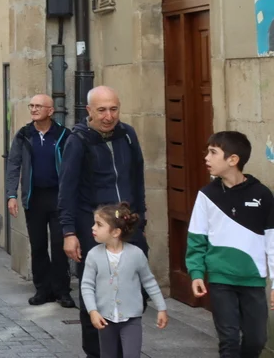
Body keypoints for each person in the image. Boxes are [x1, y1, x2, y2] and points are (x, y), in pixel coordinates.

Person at [59, 86, 149, 358]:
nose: (108, 116)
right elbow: (67, 189)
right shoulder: (78, 140)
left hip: (128, 227)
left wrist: (141, 219)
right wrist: (69, 232)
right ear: (89, 111)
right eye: (101, 110)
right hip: (94, 228)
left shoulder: (128, 135)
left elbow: (137, 179)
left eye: (113, 109)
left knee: (137, 289)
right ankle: (95, 352)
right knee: (96, 294)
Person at [186, 131, 274, 358]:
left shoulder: (263, 195)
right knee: (229, 341)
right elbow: (197, 237)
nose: (206, 157)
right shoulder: (206, 195)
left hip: (253, 279)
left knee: (257, 340)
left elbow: (272, 243)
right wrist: (196, 273)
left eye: (213, 152)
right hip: (221, 279)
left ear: (233, 159)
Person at [4, 94, 74, 307]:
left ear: (50, 111)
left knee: (60, 245)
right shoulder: (24, 134)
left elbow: (74, 166)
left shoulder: (64, 135)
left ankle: (62, 290)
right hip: (34, 197)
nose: (34, 109)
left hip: (59, 198)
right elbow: (13, 164)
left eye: (38, 106)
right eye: (31, 106)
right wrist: (11, 195)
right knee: (38, 245)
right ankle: (42, 289)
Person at [80, 203, 168, 358]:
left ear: (115, 232)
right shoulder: (93, 255)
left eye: (99, 224)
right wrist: (93, 311)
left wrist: (161, 308)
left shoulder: (136, 254)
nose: (93, 228)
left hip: (131, 319)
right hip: (105, 319)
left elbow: (149, 282)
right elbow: (87, 285)